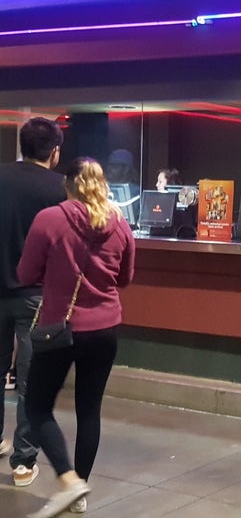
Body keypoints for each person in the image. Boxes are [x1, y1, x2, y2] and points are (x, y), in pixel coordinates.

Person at [18, 157, 135, 518]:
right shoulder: (120, 223)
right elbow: (125, 278)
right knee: (89, 410)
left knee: (38, 406)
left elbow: (25, 273)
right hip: (106, 328)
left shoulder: (50, 219)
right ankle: (80, 491)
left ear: (66, 184)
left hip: (60, 327)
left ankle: (69, 480)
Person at [0, 117, 66, 487]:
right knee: (30, 381)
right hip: (35, 296)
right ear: (54, 151)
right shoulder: (60, 188)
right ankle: (23, 463)